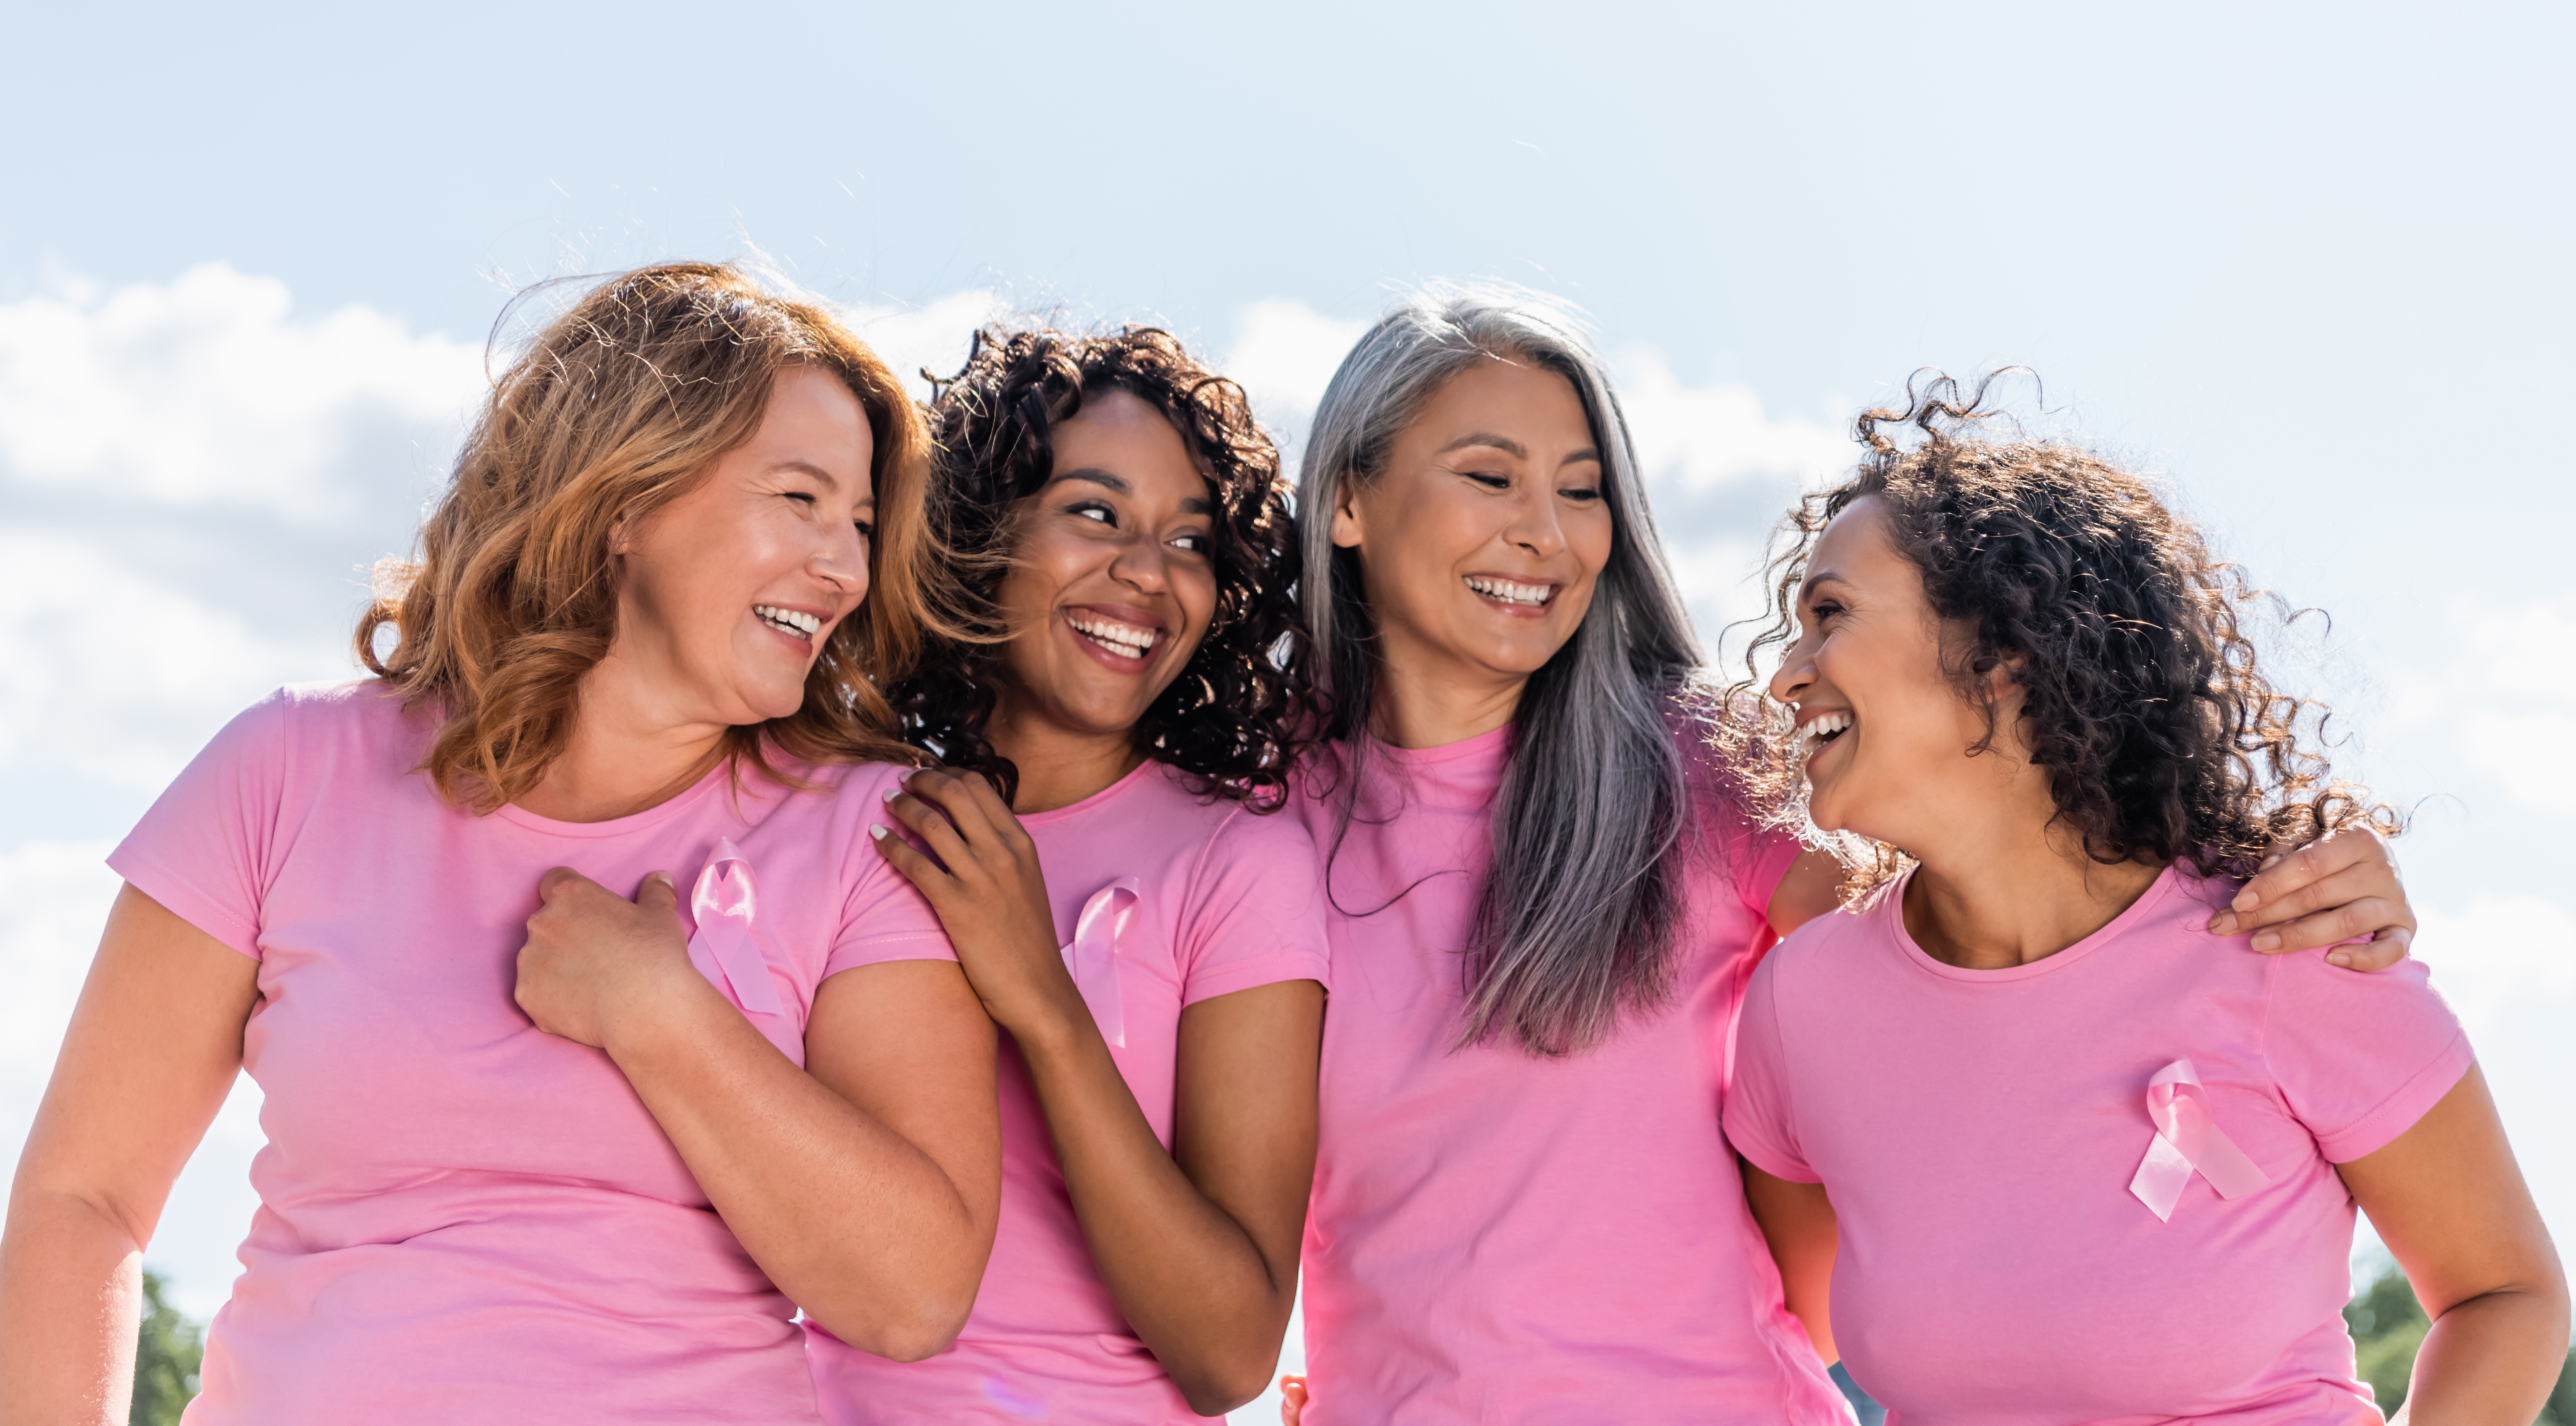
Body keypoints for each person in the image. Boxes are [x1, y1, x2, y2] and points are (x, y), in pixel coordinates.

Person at [1278, 286, 2426, 1424]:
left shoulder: (1699, 768)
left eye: (1584, 492)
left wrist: (2261, 864)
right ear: (1346, 501)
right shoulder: (1259, 820)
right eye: (1490, 476)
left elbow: (1993, 936)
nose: (1546, 530)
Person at [0, 263, 1001, 1424]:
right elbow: (84, 1199)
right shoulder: (285, 770)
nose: (844, 567)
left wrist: (661, 1017)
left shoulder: (864, 831)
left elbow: (913, 1294)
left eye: (863, 523)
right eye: (799, 500)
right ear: (626, 497)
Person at [1725, 377, 2569, 1423]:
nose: (1784, 678)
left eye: (1829, 615)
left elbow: (2505, 1296)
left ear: (2001, 656)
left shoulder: (2287, 941)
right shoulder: (1804, 1006)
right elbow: (1767, 1331)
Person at [807, 326, 1327, 1422]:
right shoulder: (847, 814)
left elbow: (1231, 1351)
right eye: (1095, 514)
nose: (1147, 573)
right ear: (979, 537)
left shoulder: (1233, 861)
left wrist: (1043, 1003)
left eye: (1190, 541)